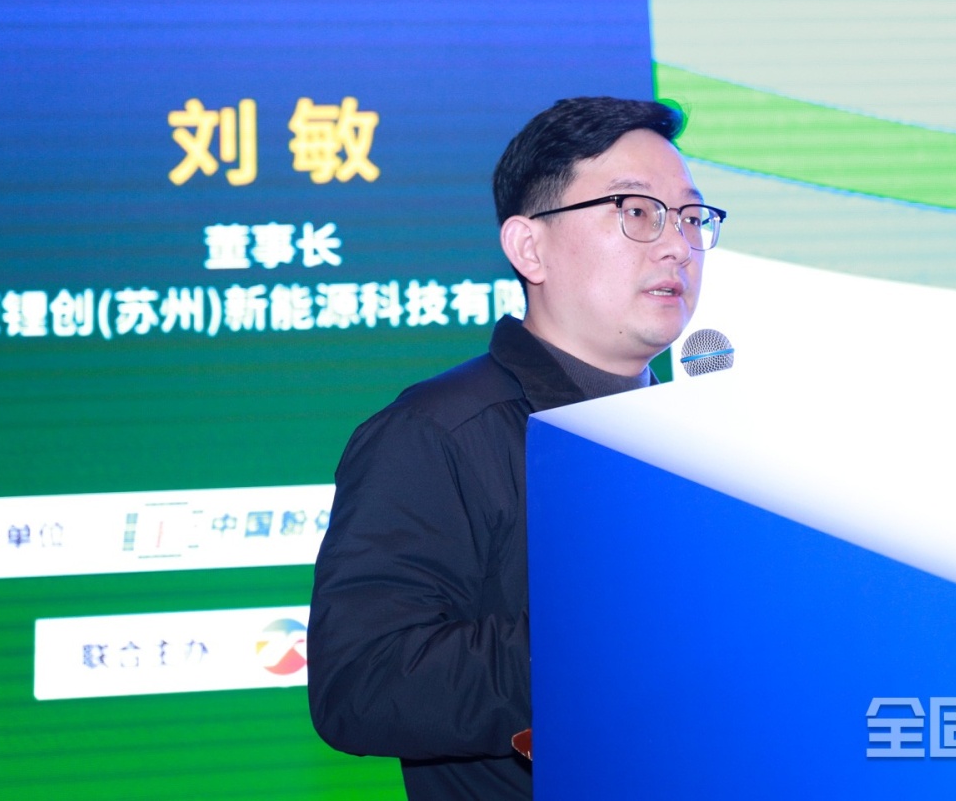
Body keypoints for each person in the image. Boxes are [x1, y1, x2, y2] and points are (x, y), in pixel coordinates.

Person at [307, 96, 726, 799]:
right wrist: (605, 640)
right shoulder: (437, 434)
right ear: (530, 247)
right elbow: (360, 683)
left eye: (690, 217)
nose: (677, 246)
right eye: (637, 211)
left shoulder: (707, 443)